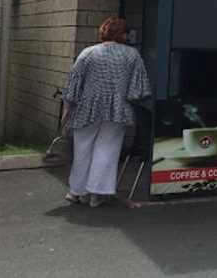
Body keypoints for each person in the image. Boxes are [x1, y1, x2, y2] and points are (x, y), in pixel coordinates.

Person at [62, 17, 151, 207]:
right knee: (107, 150)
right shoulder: (132, 55)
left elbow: (73, 83)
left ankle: (76, 191)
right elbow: (139, 90)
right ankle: (97, 193)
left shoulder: (88, 53)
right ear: (123, 34)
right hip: (118, 109)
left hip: (87, 107)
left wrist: (68, 107)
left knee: (82, 149)